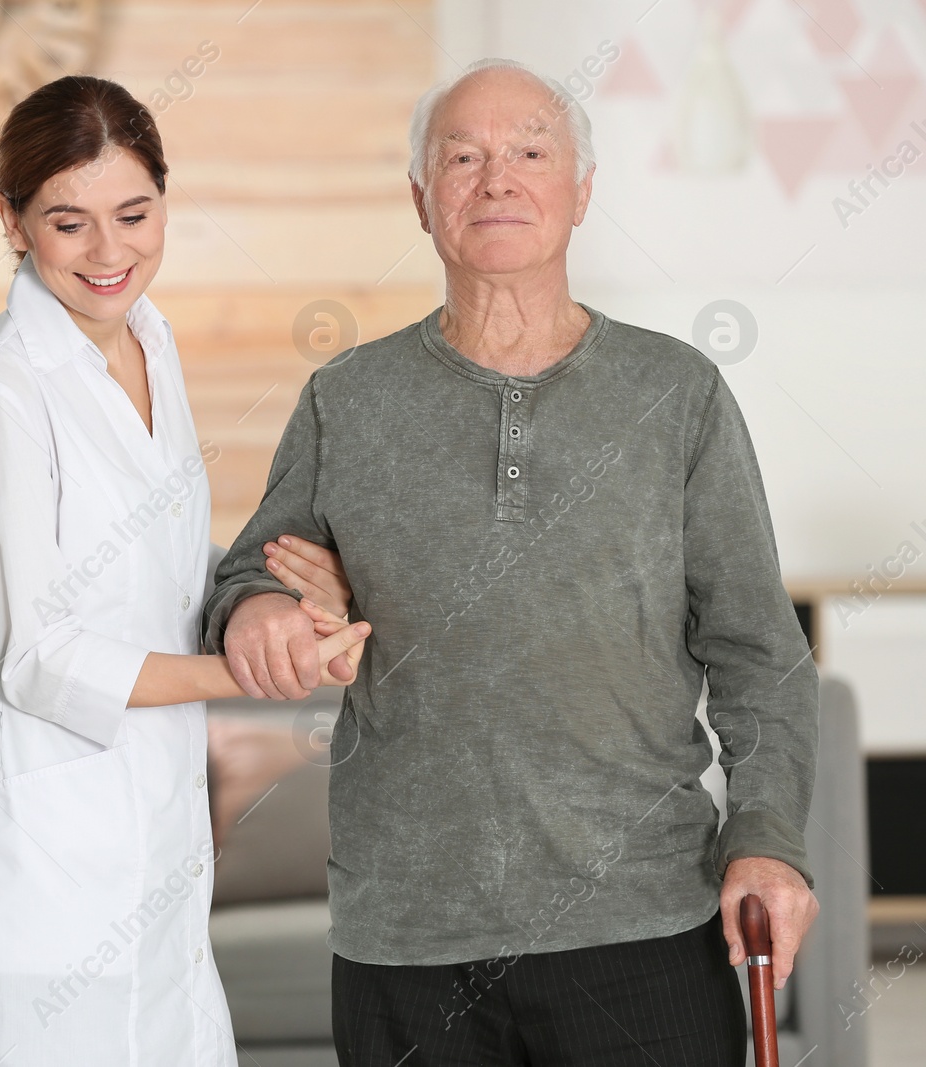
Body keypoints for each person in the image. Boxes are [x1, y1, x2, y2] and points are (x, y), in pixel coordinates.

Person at [204, 58, 820, 1066]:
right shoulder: (346, 399)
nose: (497, 179)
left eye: (530, 153)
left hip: (642, 926)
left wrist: (766, 838)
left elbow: (760, 652)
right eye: (463, 157)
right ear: (420, 199)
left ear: (580, 190)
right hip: (404, 938)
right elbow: (253, 572)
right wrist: (260, 611)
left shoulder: (678, 393)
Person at [0, 75, 371, 1067]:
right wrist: (251, 674)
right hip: (40, 864)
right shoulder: (0, 392)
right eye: (68, 222)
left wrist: (281, 605)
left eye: (134, 213)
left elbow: (155, 580)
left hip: (156, 848)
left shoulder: (148, 344)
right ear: (12, 219)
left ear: (166, 200)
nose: (110, 252)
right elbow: (37, 656)